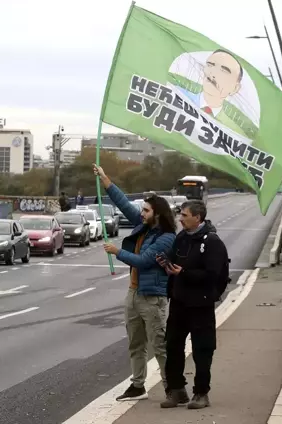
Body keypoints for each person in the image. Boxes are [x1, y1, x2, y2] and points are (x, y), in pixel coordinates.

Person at [93, 164, 176, 401]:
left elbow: (144, 261)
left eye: (146, 210)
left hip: (152, 297)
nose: (141, 213)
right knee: (135, 344)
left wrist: (116, 252)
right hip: (133, 293)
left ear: (157, 214)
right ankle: (138, 385)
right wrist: (105, 178)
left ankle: (172, 387)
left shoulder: (166, 237)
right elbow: (123, 203)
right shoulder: (143, 226)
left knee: (159, 345)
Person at [157, 200, 228, 410]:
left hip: (201, 305)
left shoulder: (212, 242)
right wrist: (166, 265)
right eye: (180, 215)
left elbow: (214, 275)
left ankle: (201, 393)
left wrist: (184, 273)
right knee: (172, 346)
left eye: (185, 216)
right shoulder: (181, 238)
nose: (181, 219)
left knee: (202, 350)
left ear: (198, 217)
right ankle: (177, 390)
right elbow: (174, 260)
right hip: (179, 302)